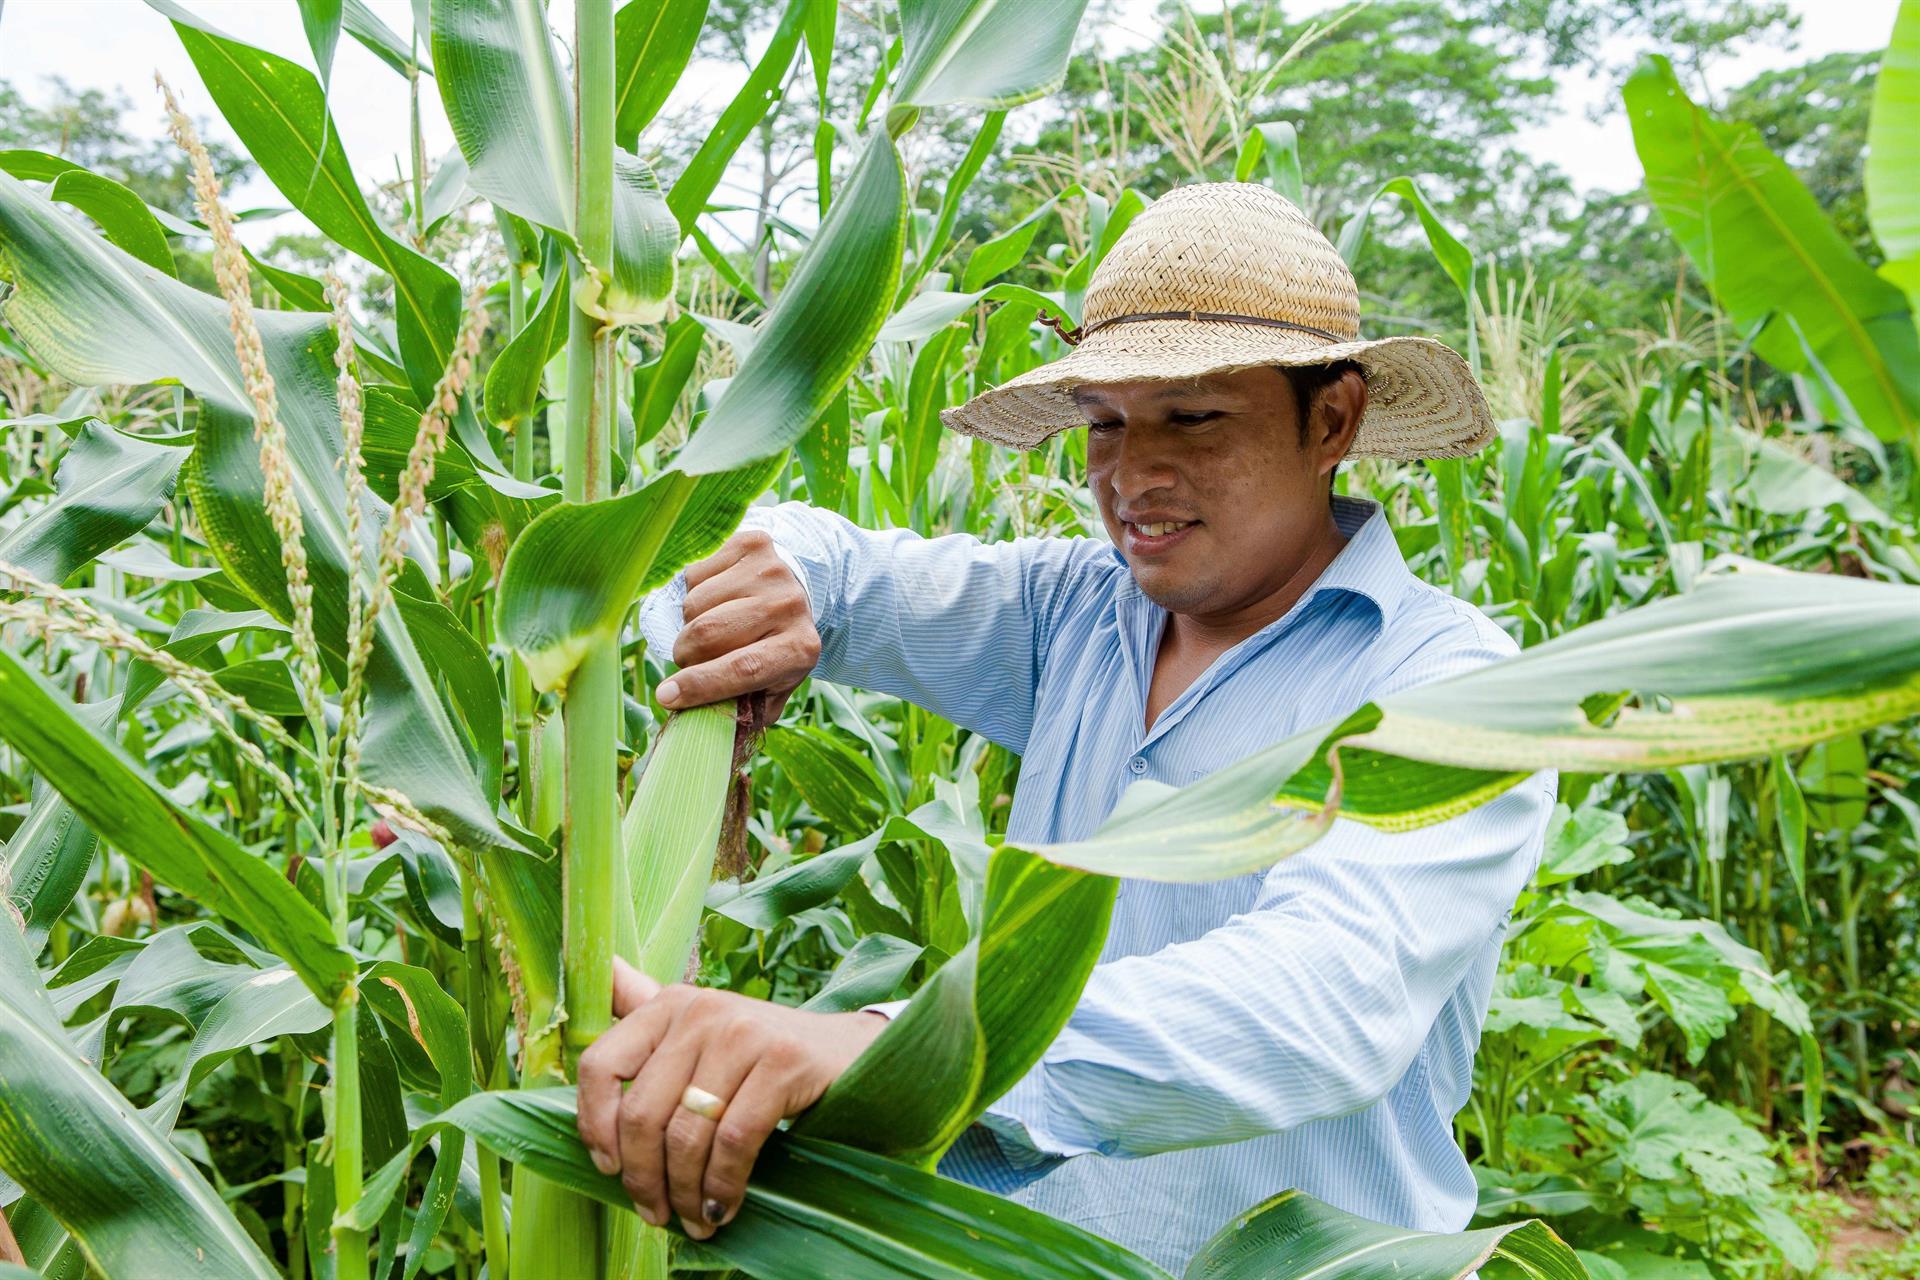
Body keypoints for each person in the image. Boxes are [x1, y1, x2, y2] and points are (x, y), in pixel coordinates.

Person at [574, 182, 1555, 1273]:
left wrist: (892, 1048)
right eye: (1104, 423)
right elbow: (816, 556)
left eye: (1194, 417)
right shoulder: (1075, 614)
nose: (1133, 476)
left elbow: (1326, 997)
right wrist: (775, 590)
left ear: (1333, 419)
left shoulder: (1446, 684)